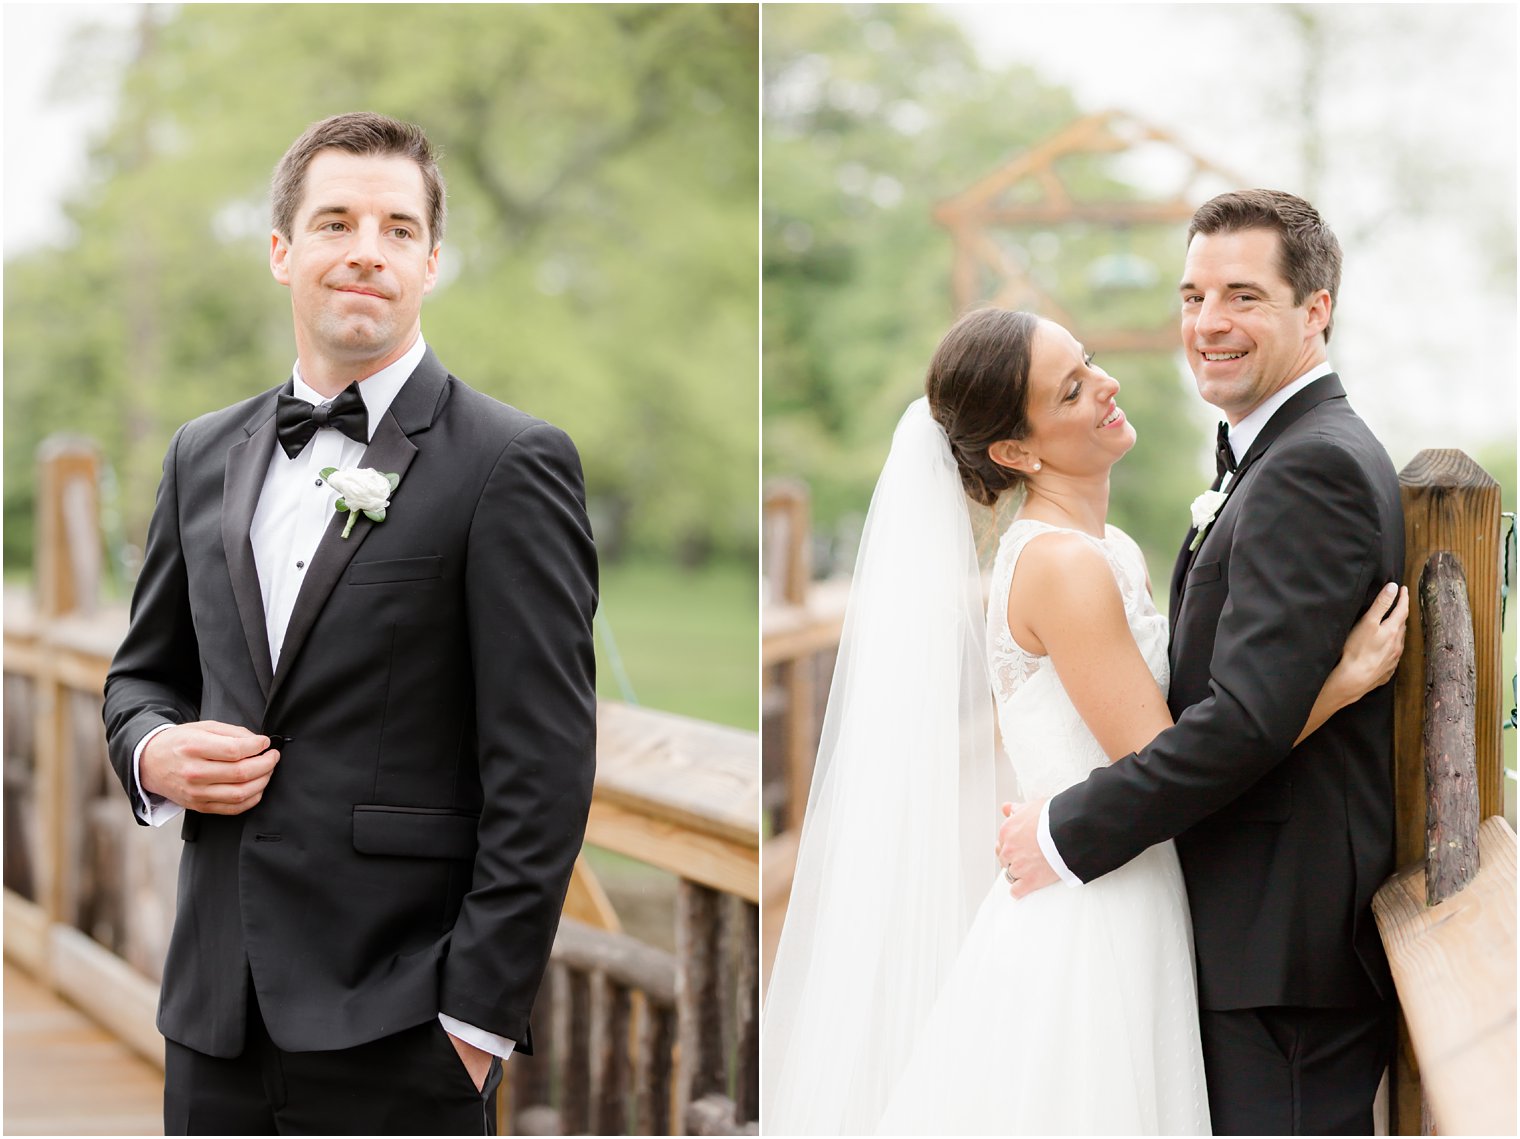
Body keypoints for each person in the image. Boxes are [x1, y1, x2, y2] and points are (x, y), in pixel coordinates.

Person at [760, 300, 1405, 1133]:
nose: (1105, 385)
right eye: (1070, 392)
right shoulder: (1063, 566)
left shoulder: (1113, 549)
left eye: (1088, 361)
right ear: (1016, 451)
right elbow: (1165, 750)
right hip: (1100, 903)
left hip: (1130, 869)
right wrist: (1340, 683)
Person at [102, 112, 597, 1135]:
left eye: (398, 228)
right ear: (284, 252)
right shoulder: (202, 453)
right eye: (335, 222)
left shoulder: (511, 463)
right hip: (213, 1012)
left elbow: (542, 764)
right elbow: (142, 674)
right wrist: (153, 750)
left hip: (405, 1019)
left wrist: (474, 1021)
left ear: (430, 262)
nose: (366, 249)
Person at [997, 190, 1404, 1135]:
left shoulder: (1312, 466)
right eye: (1190, 296)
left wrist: (1065, 829)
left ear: (1317, 309)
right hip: (1242, 934)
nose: (1207, 323)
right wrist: (1333, 683)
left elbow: (1246, 719)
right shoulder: (1280, 457)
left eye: (1241, 295)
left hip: (1280, 949)